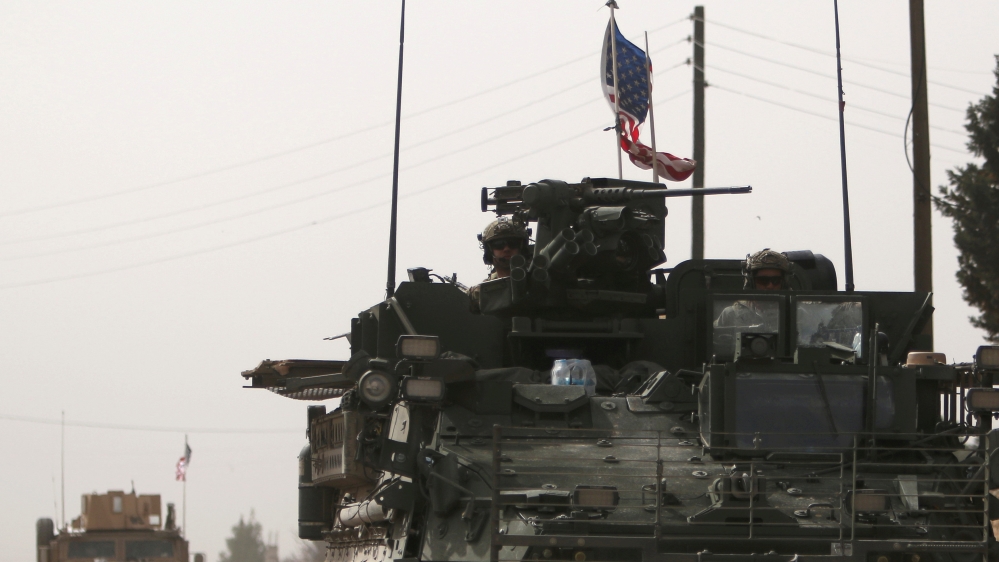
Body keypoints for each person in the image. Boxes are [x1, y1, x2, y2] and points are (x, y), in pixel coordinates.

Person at [713, 249, 791, 330]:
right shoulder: (731, 314)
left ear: (784, 283)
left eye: (776, 281)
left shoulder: (796, 314)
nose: (770, 286)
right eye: (763, 280)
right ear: (751, 282)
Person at [467, 217, 530, 312]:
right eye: (499, 244)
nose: (506, 249)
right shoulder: (478, 294)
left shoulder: (538, 282)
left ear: (521, 248)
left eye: (513, 243)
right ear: (489, 251)